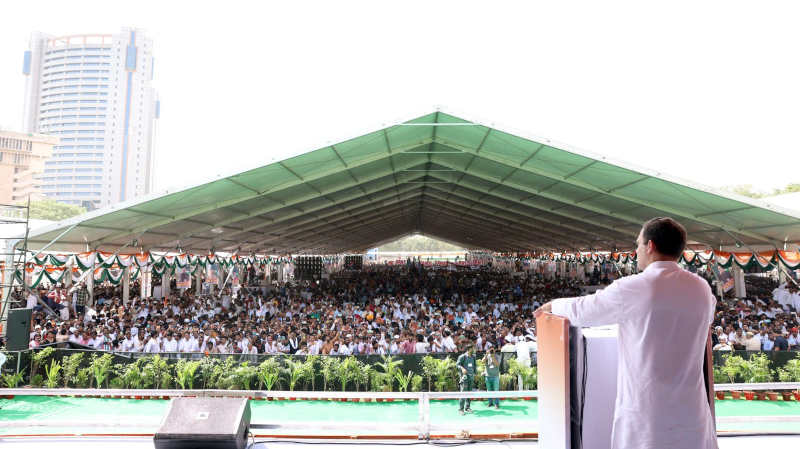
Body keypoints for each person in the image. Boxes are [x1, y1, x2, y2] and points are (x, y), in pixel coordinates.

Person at [535, 217, 717, 449]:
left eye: (638, 244)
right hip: (692, 411)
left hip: (648, 413)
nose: (636, 250)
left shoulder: (636, 287)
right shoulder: (701, 288)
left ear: (650, 246)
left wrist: (554, 305)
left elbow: (587, 309)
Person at [455, 342, 476, 415]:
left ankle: (467, 407)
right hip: (464, 378)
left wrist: (475, 374)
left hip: (471, 377)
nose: (474, 349)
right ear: (469, 349)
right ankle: (461, 409)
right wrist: (462, 368)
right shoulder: (462, 356)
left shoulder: (473, 357)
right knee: (463, 393)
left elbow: (474, 366)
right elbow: (457, 365)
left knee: (469, 393)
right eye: (473, 348)